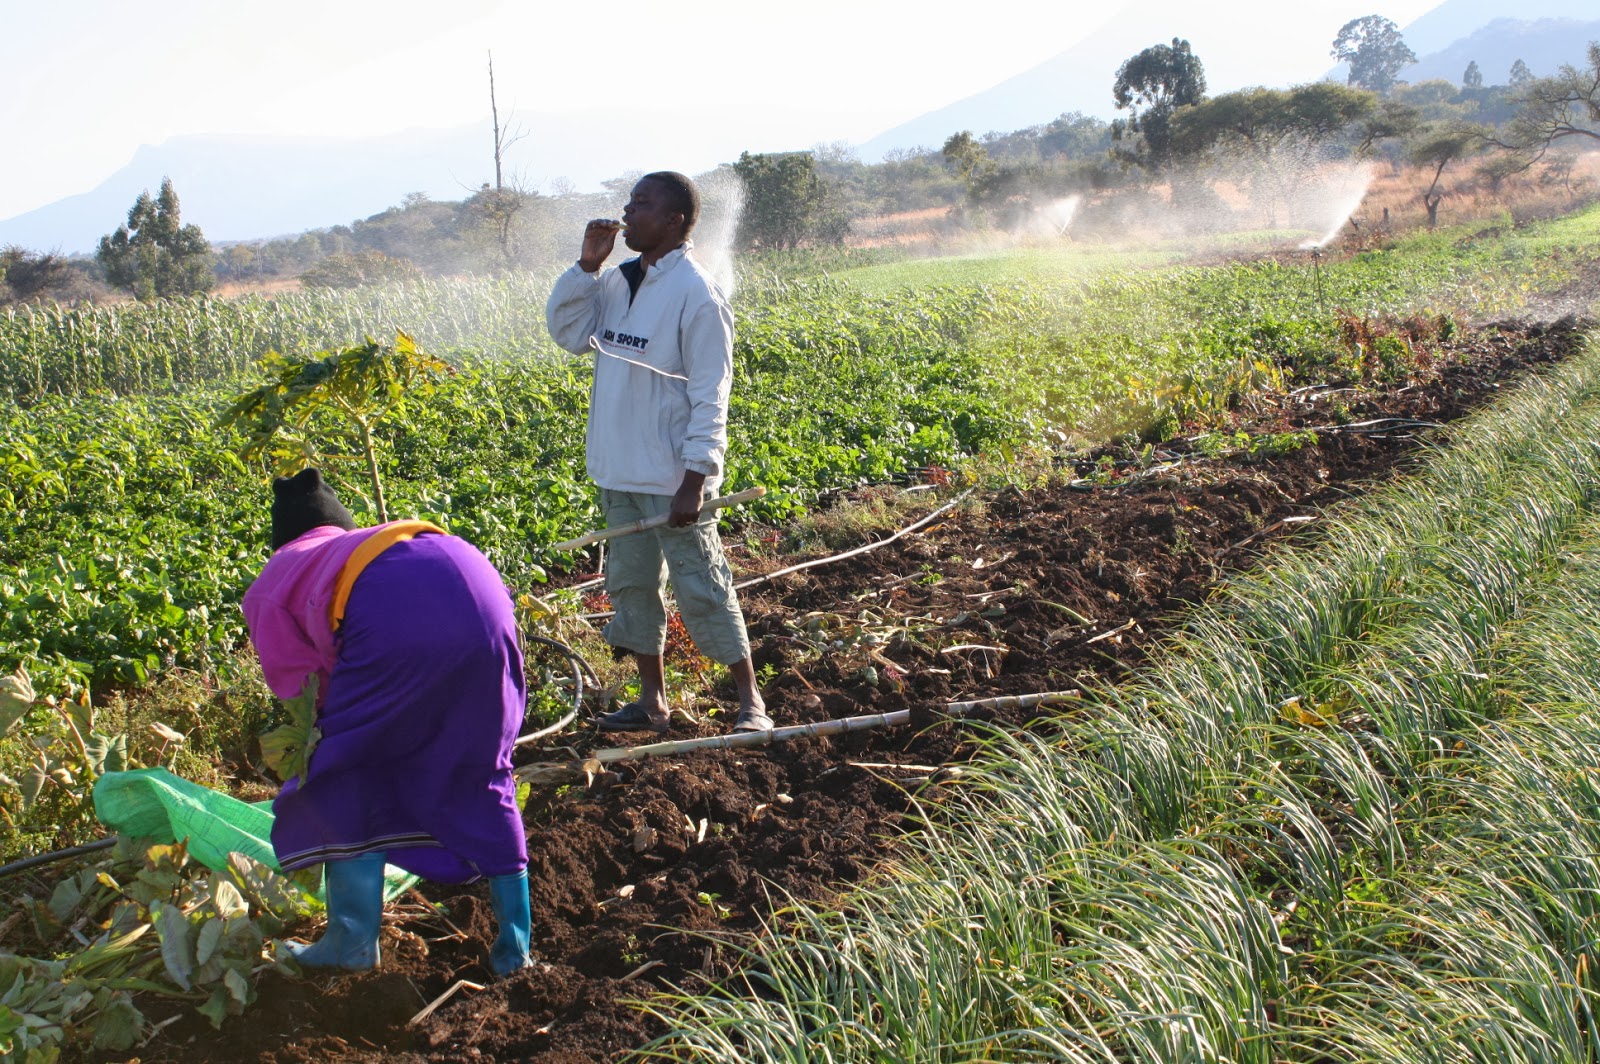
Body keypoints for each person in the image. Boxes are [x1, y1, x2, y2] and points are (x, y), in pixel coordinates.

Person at [241, 468, 532, 975]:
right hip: (481, 590)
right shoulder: (359, 547)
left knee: (342, 774)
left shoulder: (277, 576)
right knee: (482, 767)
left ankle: (350, 945)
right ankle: (516, 953)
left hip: (397, 618)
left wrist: (323, 753)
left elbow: (304, 697)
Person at [545, 170, 772, 735]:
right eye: (629, 201)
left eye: (642, 204)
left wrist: (696, 479)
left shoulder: (697, 293)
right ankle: (652, 701)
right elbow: (568, 334)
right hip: (617, 470)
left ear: (675, 220)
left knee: (703, 582)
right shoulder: (617, 281)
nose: (627, 212)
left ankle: (751, 703)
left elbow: (711, 394)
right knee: (632, 587)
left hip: (673, 479)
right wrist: (587, 267)